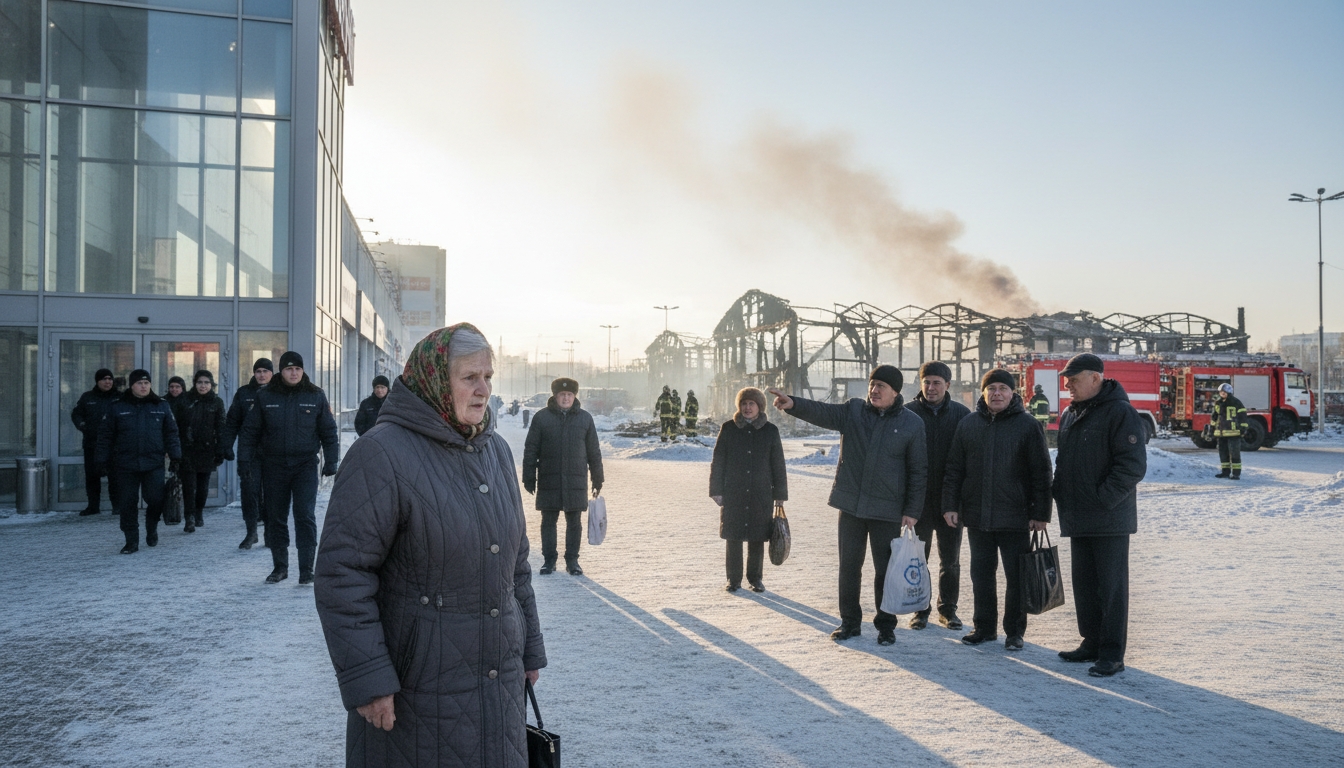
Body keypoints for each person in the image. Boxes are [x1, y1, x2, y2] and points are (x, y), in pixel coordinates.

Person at [314, 324, 546, 767]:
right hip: (416, 687)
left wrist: (529, 647)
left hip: (498, 676)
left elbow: (515, 563)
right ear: (436, 380)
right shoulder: (381, 454)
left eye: (488, 377)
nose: (483, 391)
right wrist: (368, 679)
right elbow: (342, 574)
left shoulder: (495, 450)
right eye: (469, 378)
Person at [770, 365, 927, 646]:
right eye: (873, 384)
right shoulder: (854, 411)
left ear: (895, 392)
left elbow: (918, 470)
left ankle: (886, 626)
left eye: (882, 386)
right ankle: (850, 622)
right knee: (849, 567)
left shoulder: (912, 424)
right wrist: (794, 404)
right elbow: (823, 412)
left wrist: (912, 511)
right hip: (851, 506)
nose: (875, 390)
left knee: (885, 570)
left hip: (887, 510)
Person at [942, 369, 1052, 650]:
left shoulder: (1027, 426)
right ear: (983, 392)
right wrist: (950, 505)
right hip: (977, 517)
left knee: (1016, 578)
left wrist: (1040, 513)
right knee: (981, 575)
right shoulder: (968, 424)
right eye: (991, 388)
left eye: (1003, 388)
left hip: (1015, 517)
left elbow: (1042, 472)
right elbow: (954, 469)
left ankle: (1014, 632)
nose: (997, 393)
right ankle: (984, 627)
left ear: (1013, 393)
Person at [1052, 353, 1147, 678]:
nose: (1068, 386)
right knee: (1085, 586)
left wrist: (1102, 499)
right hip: (1079, 518)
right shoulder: (1070, 414)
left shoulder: (1120, 413)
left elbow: (1132, 465)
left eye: (1073, 380)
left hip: (1108, 520)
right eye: (1066, 381)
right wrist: (1059, 492)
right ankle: (1091, 642)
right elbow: (1064, 463)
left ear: (1096, 378)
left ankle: (1111, 653)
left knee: (1111, 589)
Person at [238, 351, 339, 584]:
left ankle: (306, 570)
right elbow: (250, 432)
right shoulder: (265, 396)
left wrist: (331, 460)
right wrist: (244, 461)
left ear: (302, 371)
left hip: (304, 466)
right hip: (273, 466)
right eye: (288, 369)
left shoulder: (315, 395)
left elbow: (329, 431)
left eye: (297, 369)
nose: (293, 373)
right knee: (276, 517)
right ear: (281, 371)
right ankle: (280, 567)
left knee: (304, 515)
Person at [904, 361, 971, 630]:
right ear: (920, 384)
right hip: (918, 503)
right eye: (927, 382)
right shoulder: (907, 414)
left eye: (937, 383)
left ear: (948, 385)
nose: (931, 388)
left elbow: (967, 461)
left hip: (951, 504)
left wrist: (956, 502)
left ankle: (948, 610)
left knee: (950, 561)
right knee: (918, 560)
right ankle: (920, 609)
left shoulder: (962, 415)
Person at [523, 377, 605, 576]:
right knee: (548, 521)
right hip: (548, 478)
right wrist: (528, 476)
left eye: (569, 395)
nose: (566, 398)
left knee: (574, 522)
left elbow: (594, 451)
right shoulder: (541, 418)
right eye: (562, 395)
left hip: (575, 479)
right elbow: (531, 449)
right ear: (555, 396)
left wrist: (597, 477)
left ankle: (572, 561)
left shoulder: (585, 419)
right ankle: (549, 560)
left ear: (574, 396)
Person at [709, 387, 787, 593]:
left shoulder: (770, 431)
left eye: (751, 403)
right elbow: (718, 461)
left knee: (757, 536)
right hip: (733, 491)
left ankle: (755, 578)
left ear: (759, 406)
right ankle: (733, 580)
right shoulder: (728, 429)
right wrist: (716, 489)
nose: (747, 407)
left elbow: (778, 464)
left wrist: (779, 495)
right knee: (733, 536)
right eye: (744, 403)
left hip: (761, 493)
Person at [95, 369, 181, 554]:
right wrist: (101, 460)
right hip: (125, 464)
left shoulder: (161, 405)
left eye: (146, 383)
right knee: (127, 503)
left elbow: (171, 433)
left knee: (156, 499)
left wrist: (176, 457)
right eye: (139, 383)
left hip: (153, 463)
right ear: (131, 385)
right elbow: (105, 436)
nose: (143, 386)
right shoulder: (117, 406)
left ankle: (152, 528)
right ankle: (131, 540)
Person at [220, 358, 272, 549]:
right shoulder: (244, 393)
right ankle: (251, 532)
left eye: (265, 371)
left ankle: (269, 532)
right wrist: (226, 445)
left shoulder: (278, 393)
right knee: (250, 493)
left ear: (272, 373)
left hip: (273, 453)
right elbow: (232, 422)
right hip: (249, 453)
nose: (261, 375)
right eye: (258, 371)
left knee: (271, 495)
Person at [173, 370, 228, 533]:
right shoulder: (185, 400)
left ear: (211, 385)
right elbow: (175, 426)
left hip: (207, 449)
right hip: (187, 449)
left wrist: (221, 449)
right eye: (199, 382)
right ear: (194, 384)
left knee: (203, 487)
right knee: (189, 486)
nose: (203, 386)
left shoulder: (216, 402)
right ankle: (189, 517)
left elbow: (221, 427)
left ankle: (199, 513)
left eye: (206, 383)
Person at [71, 368, 121, 516]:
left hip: (114, 445)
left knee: (115, 477)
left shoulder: (120, 397)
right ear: (97, 381)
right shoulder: (88, 397)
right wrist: (82, 425)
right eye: (104, 379)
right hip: (92, 444)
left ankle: (117, 506)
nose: (108, 382)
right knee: (92, 477)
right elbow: (77, 414)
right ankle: (93, 506)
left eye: (110, 379)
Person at [1211, 383, 1247, 479]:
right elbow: (1215, 416)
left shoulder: (1236, 402)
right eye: (1220, 392)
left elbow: (1243, 416)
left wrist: (1243, 428)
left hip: (1233, 432)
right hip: (1221, 433)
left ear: (1229, 392)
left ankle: (1236, 474)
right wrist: (1211, 428)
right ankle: (1225, 472)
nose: (1222, 393)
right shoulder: (1218, 403)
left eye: (1224, 392)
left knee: (1234, 453)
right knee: (1223, 454)